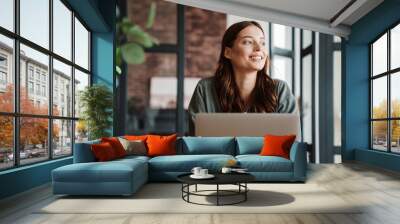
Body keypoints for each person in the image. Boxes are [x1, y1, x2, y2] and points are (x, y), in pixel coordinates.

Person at [188, 21, 297, 135]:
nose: (259, 48)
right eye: (248, 42)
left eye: (263, 42)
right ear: (228, 52)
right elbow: (197, 144)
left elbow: (293, 146)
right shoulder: (205, 89)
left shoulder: (280, 90)